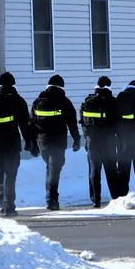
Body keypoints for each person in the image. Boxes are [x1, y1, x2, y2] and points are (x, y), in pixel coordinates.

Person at [0, 72, 38, 216]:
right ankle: (9, 205)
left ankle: (1, 203)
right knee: (10, 172)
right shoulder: (17, 100)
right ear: (13, 84)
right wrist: (29, 142)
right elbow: (24, 124)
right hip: (11, 140)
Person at [30, 75, 80, 211]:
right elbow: (72, 122)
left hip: (43, 142)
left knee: (50, 169)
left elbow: (32, 123)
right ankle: (52, 199)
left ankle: (50, 197)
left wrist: (33, 143)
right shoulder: (64, 101)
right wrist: (76, 138)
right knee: (54, 170)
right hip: (58, 142)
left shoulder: (37, 102)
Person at [79, 76, 121, 208]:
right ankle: (115, 197)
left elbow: (83, 122)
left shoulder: (87, 101)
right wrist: (120, 141)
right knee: (111, 170)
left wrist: (87, 138)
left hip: (92, 140)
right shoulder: (113, 102)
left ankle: (95, 200)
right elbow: (118, 124)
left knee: (94, 169)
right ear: (109, 86)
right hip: (108, 140)